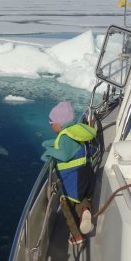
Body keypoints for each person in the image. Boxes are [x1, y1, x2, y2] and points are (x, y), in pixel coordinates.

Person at [41, 101, 96, 245]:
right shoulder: (74, 131)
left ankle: (76, 236)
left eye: (50, 122)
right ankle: (85, 210)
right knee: (82, 197)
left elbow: (65, 155)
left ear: (58, 124)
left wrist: (49, 151)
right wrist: (51, 143)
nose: (50, 124)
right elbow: (69, 146)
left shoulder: (65, 136)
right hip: (86, 173)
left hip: (73, 177)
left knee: (66, 203)